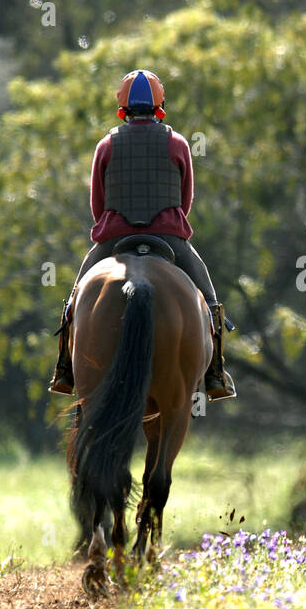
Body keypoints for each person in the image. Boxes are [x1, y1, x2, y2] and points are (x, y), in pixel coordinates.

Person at [48, 68, 235, 401]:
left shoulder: (106, 144)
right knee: (208, 301)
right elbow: (186, 197)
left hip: (114, 237)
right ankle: (216, 373)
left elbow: (97, 202)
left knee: (75, 300)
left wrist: (114, 227)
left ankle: (64, 367)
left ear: (123, 107)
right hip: (170, 237)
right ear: (159, 105)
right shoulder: (177, 143)